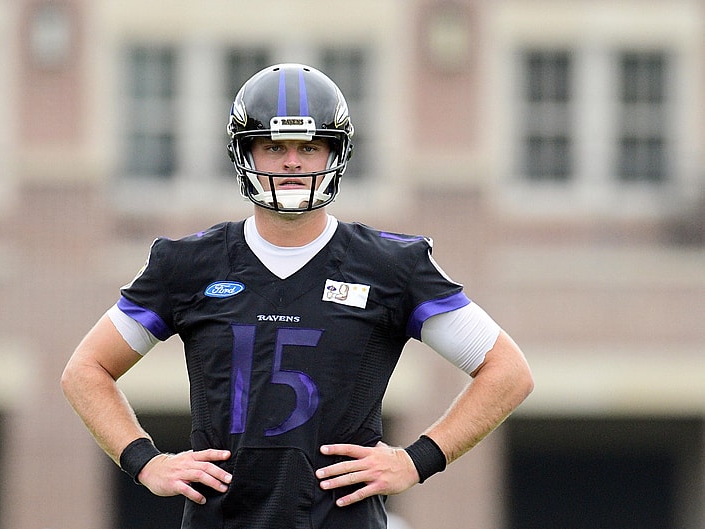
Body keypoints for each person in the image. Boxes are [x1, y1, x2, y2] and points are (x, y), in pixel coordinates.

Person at [61, 63, 533, 529]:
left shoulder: (391, 266)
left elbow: (508, 372)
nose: (292, 162)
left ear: (334, 153)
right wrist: (145, 462)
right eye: (273, 146)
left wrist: (417, 460)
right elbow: (86, 370)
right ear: (244, 152)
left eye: (309, 147)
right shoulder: (187, 264)